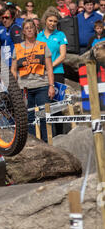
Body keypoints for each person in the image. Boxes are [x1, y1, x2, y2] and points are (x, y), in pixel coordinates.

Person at [11, 19, 55, 143]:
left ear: (36, 30)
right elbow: (13, 70)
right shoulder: (17, 48)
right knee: (28, 118)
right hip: (24, 88)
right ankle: (31, 144)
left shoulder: (43, 46)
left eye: (32, 27)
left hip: (42, 85)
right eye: (27, 28)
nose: (29, 29)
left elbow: (49, 68)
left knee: (44, 117)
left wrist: (51, 86)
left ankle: (48, 143)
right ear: (23, 31)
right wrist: (14, 88)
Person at [37, 7, 68, 136]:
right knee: (44, 106)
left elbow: (63, 56)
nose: (52, 23)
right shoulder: (39, 36)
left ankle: (59, 135)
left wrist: (49, 66)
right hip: (42, 74)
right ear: (45, 20)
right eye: (50, 20)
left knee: (57, 106)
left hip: (57, 73)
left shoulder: (61, 35)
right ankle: (46, 136)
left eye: (55, 21)